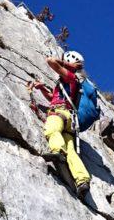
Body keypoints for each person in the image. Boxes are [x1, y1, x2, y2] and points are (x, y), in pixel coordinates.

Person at [29, 50, 92, 197]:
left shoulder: (71, 77)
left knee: (52, 129)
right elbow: (54, 98)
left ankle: (57, 151)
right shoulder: (67, 83)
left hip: (60, 113)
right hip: (69, 120)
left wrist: (70, 65)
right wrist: (43, 88)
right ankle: (82, 180)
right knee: (71, 150)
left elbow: (50, 60)